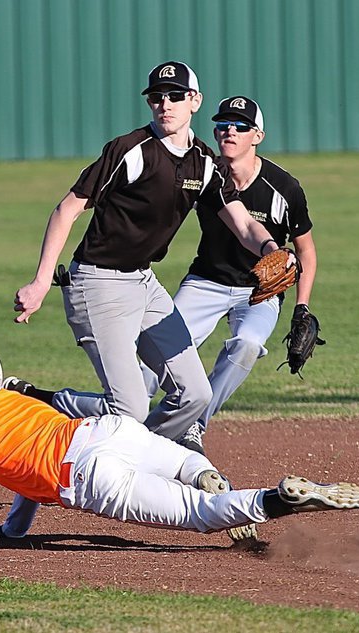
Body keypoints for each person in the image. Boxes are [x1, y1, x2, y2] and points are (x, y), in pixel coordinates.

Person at [12, 62, 292, 450]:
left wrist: (272, 250)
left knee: (195, 395)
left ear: (195, 101)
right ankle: (37, 416)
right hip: (96, 284)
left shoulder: (205, 162)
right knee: (129, 408)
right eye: (157, 97)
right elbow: (68, 209)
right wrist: (42, 281)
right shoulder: (130, 150)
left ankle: (146, 456)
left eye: (175, 95)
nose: (165, 103)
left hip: (143, 283)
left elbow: (244, 224)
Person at [0, 333, 359, 544]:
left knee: (201, 515)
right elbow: (23, 477)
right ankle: (202, 471)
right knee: (187, 469)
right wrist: (12, 531)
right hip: (110, 431)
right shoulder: (15, 402)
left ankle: (274, 500)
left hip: (86, 474)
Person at [140, 96, 319, 454]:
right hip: (206, 281)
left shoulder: (284, 188)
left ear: (258, 136)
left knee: (247, 346)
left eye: (239, 126)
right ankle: (125, 422)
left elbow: (306, 251)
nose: (229, 132)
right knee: (153, 355)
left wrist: (301, 308)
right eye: (222, 125)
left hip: (259, 292)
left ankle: (193, 425)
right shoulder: (205, 174)